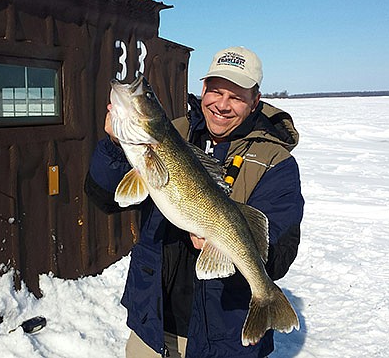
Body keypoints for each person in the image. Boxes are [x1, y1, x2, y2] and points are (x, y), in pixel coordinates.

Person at [85, 46, 304, 357]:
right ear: (203, 90)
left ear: (255, 101)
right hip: (154, 322)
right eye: (215, 92)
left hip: (223, 336)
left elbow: (280, 251)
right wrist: (114, 146)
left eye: (237, 96)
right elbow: (107, 199)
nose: (222, 105)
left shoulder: (275, 162)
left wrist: (226, 245)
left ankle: (265, 300)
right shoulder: (174, 132)